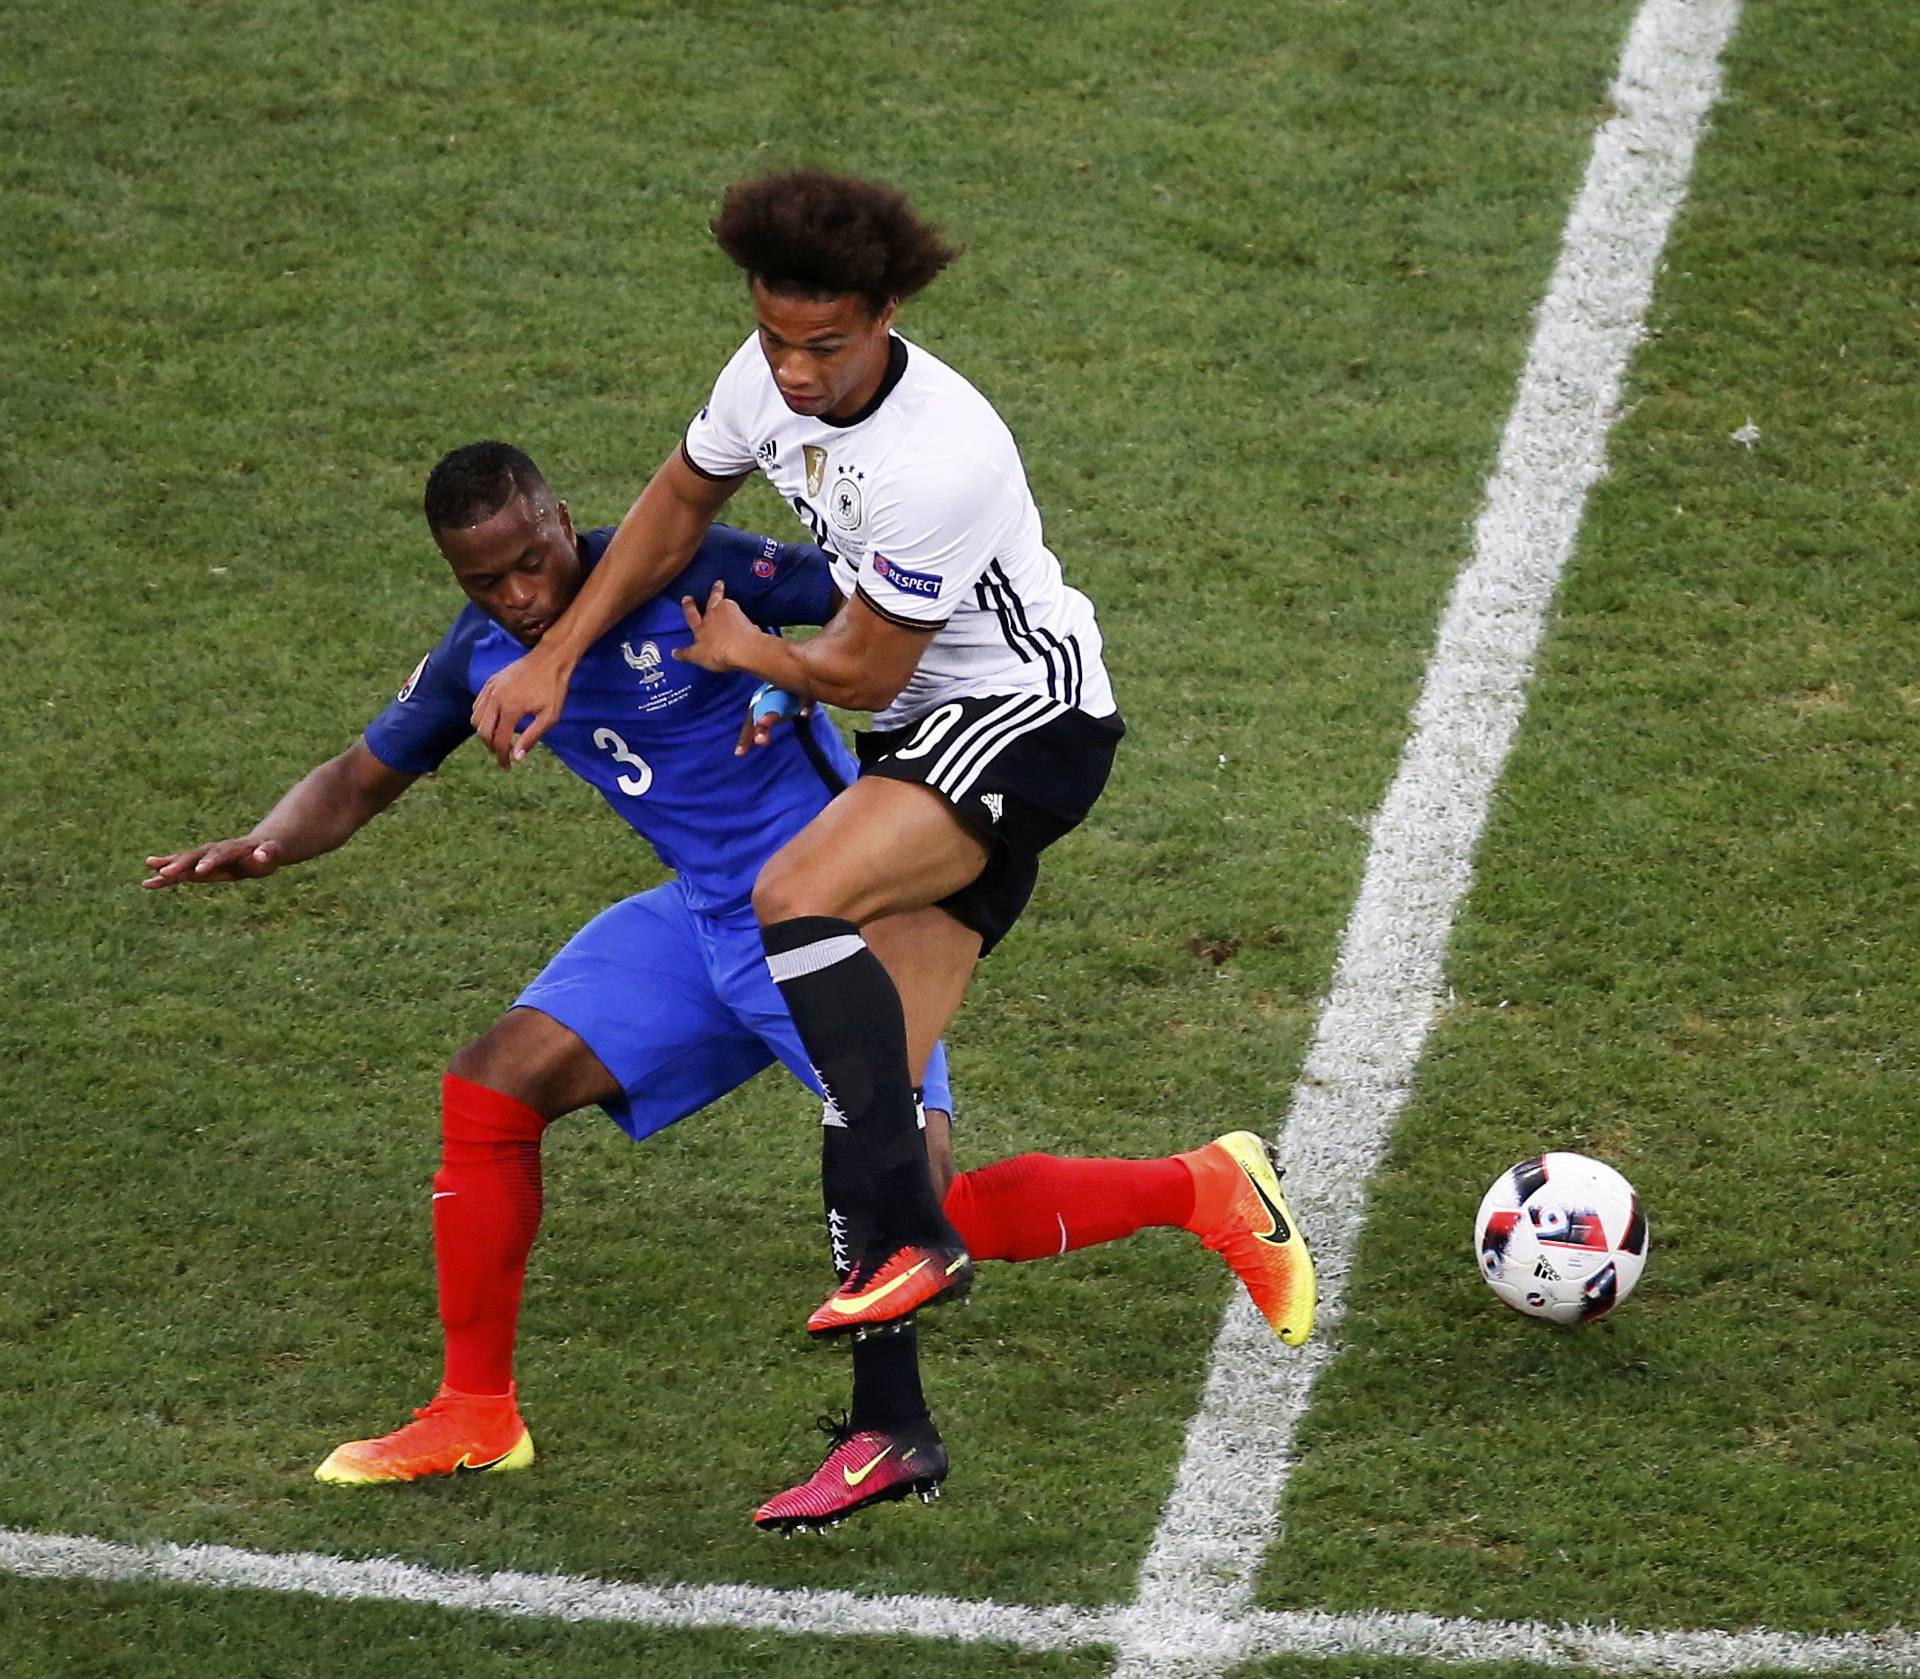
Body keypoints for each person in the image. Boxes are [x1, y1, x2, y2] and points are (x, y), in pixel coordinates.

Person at [147, 441, 1313, 1528]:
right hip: (702, 917)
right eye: (482, 578)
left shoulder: (689, 564)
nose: (514, 593)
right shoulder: (481, 654)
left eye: (528, 559)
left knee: (914, 1210)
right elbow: (358, 777)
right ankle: (474, 1413)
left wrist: (788, 676)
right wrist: (260, 843)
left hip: (834, 915)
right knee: (494, 1085)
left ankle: (1204, 1187)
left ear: (562, 518)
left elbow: (871, 616)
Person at [464, 173, 1315, 1526]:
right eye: (776, 339)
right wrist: (561, 652)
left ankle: (921, 1245)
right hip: (925, 739)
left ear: (888, 316)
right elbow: (678, 506)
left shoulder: (943, 455)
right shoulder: (761, 377)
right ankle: (902, 1423)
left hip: (1022, 719)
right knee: (873, 1125)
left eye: (824, 346)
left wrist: (757, 657)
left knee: (795, 886)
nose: (792, 373)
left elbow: (861, 668)